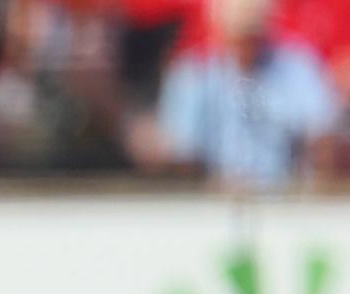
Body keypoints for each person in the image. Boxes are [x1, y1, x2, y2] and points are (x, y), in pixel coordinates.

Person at [137, 0, 340, 187]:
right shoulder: (194, 73)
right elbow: (180, 151)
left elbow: (322, 131)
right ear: (219, 28)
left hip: (286, 194)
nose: (247, 43)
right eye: (240, 34)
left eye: (253, 33)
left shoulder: (296, 66)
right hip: (209, 200)